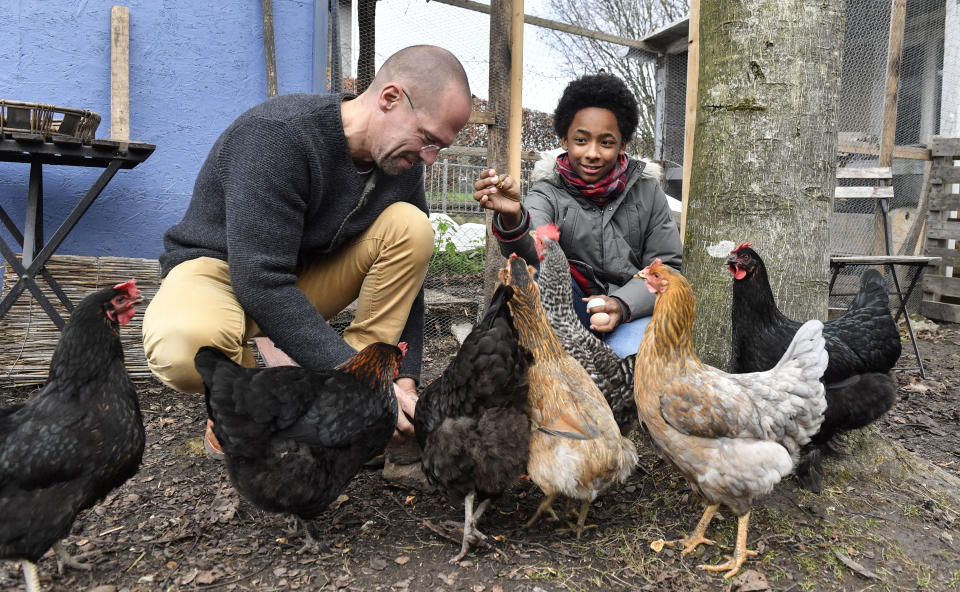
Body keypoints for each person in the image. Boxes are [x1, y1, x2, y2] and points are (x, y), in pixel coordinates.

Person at [142, 45, 473, 458]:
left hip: (298, 277)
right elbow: (260, 280)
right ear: (390, 99)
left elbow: (412, 279)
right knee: (183, 347)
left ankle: (346, 412)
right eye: (427, 139)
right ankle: (240, 411)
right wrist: (360, 380)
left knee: (413, 228)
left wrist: (402, 378)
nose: (429, 157)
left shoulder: (400, 165)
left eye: (438, 147)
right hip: (220, 271)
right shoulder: (279, 135)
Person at [473, 73, 682, 357]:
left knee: (633, 364)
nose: (592, 153)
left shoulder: (648, 192)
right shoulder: (548, 191)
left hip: (630, 312)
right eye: (581, 140)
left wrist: (620, 305)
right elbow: (532, 251)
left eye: (606, 142)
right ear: (565, 140)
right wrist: (513, 218)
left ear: (622, 145)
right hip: (567, 310)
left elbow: (667, 266)